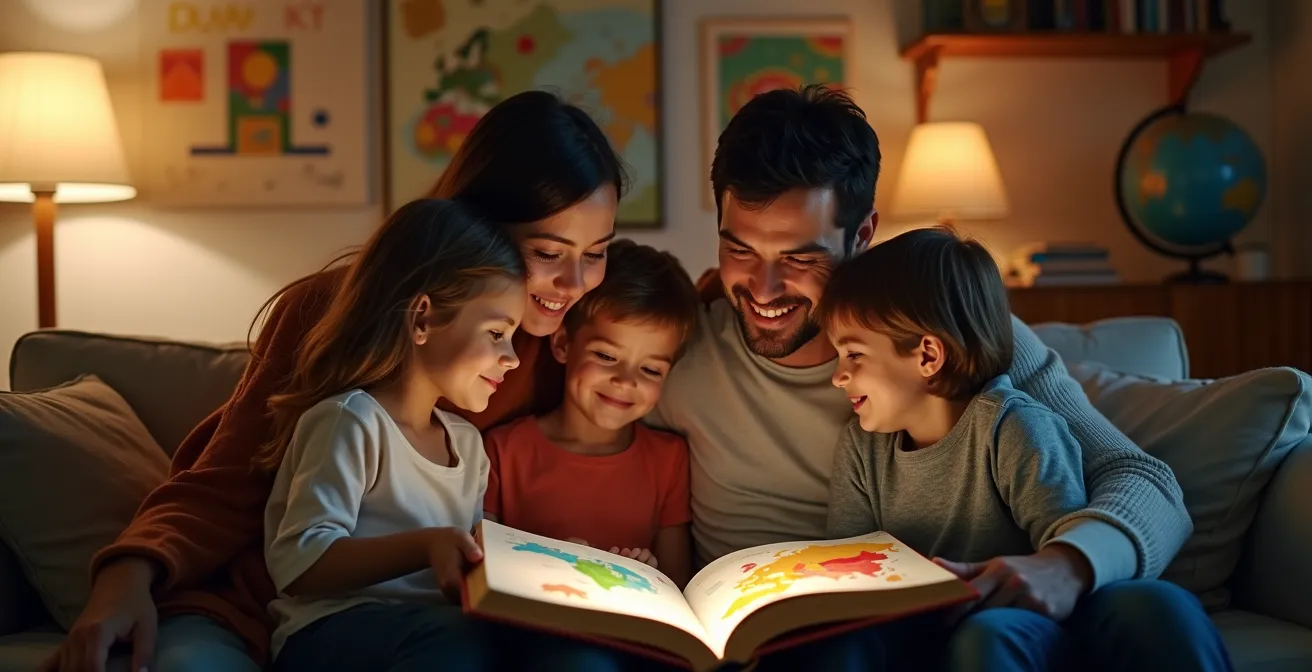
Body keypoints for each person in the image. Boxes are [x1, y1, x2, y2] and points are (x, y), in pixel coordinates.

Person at [45, 90, 628, 672]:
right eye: (548, 252)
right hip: (279, 605)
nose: (574, 283)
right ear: (476, 230)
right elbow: (225, 482)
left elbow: (677, 317)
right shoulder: (338, 314)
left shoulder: (574, 345)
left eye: (597, 253)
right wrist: (127, 575)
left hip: (442, 617)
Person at [645, 84, 1214, 668]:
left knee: (1154, 611)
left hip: (978, 610)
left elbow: (1143, 480)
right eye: (739, 250)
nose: (762, 290)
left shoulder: (950, 332)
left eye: (798, 258)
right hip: (813, 630)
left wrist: (1066, 564)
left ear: (862, 235)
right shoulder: (671, 354)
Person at [822, 226, 1233, 672]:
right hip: (915, 624)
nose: (838, 377)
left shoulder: (1014, 427)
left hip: (1018, 622)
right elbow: (851, 561)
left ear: (928, 356)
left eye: (854, 356)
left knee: (999, 633)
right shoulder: (863, 447)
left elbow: (1058, 553)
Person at [260, 198, 528, 669]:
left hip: (436, 631)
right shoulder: (350, 420)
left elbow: (470, 559)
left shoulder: (467, 444)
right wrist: (426, 545)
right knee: (457, 645)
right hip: (330, 632)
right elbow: (298, 562)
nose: (513, 357)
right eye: (496, 333)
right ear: (423, 317)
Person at [483, 239, 699, 589]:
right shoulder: (501, 452)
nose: (625, 381)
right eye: (606, 356)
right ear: (563, 344)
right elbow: (482, 575)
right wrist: (553, 567)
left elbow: (677, 583)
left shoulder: (669, 459)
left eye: (650, 370)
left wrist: (641, 578)